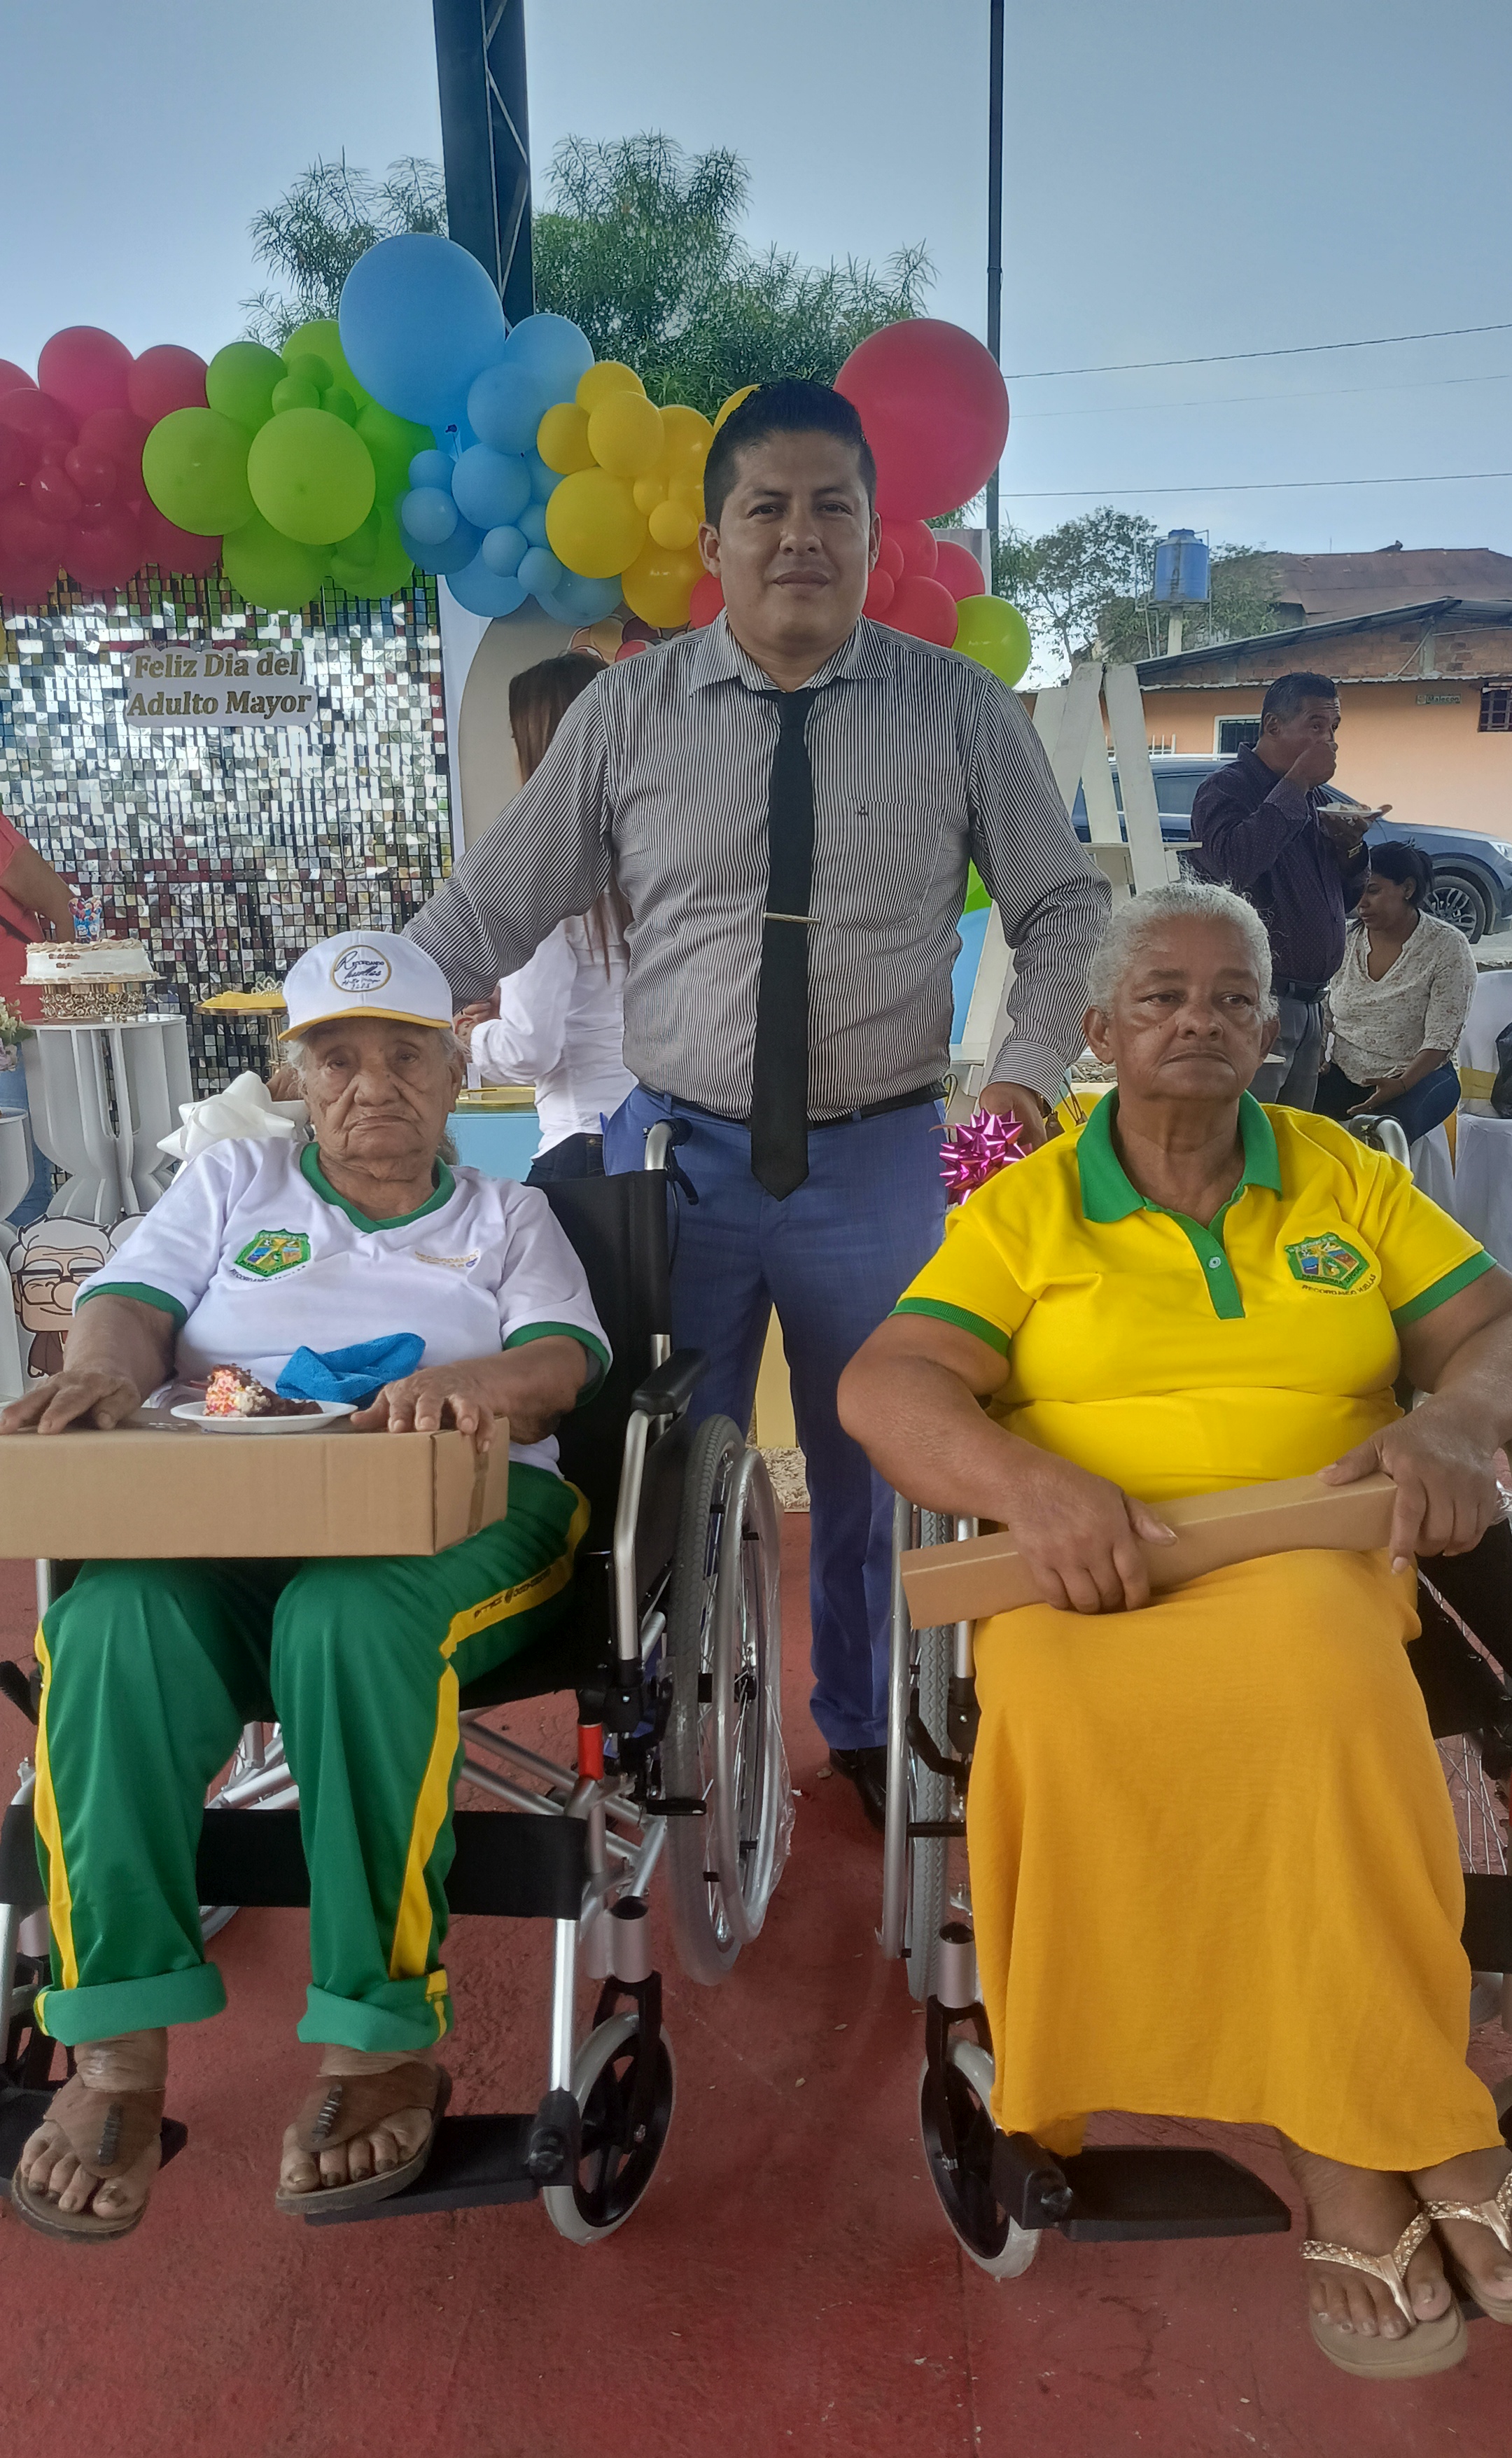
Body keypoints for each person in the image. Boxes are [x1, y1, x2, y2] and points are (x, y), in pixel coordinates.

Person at [405, 379, 1110, 1829]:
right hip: (680, 1164)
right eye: (767, 508)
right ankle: (671, 1722)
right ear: (715, 541)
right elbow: (492, 905)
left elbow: (1065, 906)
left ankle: (871, 1725)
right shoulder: (629, 714)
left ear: (873, 535)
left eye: (831, 507)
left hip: (881, 1160)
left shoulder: (960, 712)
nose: (801, 536)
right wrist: (367, 1021)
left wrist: (1026, 1078)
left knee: (883, 1462)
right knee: (660, 1460)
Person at [839, 882, 1512, 2379]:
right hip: (1084, 1567)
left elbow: (1488, 1329)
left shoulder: (1343, 1179)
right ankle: (1375, 2138)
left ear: (1271, 1031)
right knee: (1071, 1718)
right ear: (1099, 1030)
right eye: (1162, 997)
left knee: (1321, 1688)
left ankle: (1368, 2137)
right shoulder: (1028, 1209)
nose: (1199, 1021)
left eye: (1231, 999)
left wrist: (1456, 1423)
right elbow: (890, 1385)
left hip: (1308, 1549)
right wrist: (1028, 1485)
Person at [0, 930, 610, 2240]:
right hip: (232, 1510)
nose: (372, 1086)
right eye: (337, 1059)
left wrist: (467, 1384)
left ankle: (378, 2043)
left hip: (459, 1512)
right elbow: (129, 1303)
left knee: (348, 1619)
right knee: (106, 1627)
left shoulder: (507, 1215)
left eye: (406, 1057)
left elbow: (561, 1363)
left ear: (456, 1076)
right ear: (295, 1078)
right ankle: (114, 2049)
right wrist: (102, 1370)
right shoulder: (236, 1180)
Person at [456, 654, 634, 1186]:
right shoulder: (658, 861)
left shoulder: (538, 873)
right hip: (667, 1136)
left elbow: (527, 1051)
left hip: (585, 1143)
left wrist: (469, 1035)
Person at [1189, 672, 1377, 1108]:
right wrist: (1296, 783)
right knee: (1246, 1125)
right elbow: (1233, 866)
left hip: (1311, 1002)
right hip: (1256, 1001)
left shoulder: (1317, 799)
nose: (1328, 740)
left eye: (1333, 728)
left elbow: (1348, 901)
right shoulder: (1228, 788)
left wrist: (1350, 849)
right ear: (1273, 726)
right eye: (1316, 725)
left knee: (1291, 1133)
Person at [1315, 842, 1475, 1143]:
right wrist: (1316, 1058)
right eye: (1357, 891)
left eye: (1373, 891)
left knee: (1385, 1137)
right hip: (1345, 1073)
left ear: (1408, 888)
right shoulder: (1345, 940)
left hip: (1418, 1078)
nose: (1361, 903)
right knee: (1292, 1125)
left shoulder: (1447, 947)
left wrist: (1401, 1085)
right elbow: (1322, 1008)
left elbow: (1442, 1038)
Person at [0, 810, 77, 1227]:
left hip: (17, 1031)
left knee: (18, 1174)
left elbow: (63, 907)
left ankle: (28, 1264)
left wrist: (64, 1002)